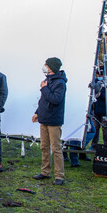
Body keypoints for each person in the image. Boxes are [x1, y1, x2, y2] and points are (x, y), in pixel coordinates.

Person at [31, 57, 67, 185]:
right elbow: (43, 100)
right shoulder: (47, 80)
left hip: (54, 119)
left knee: (56, 148)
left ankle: (59, 176)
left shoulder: (60, 83)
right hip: (44, 118)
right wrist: (37, 112)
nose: (44, 66)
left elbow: (55, 99)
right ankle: (45, 171)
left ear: (51, 67)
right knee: (44, 146)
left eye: (46, 64)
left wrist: (44, 89)